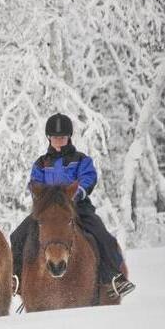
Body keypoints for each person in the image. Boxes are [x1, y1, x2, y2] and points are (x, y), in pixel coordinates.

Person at [10, 113, 136, 297]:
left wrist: (76, 194)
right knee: (17, 235)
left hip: (77, 207)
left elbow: (89, 177)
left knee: (101, 234)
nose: (59, 141)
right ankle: (16, 278)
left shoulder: (81, 160)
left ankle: (114, 278)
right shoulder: (41, 163)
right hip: (48, 212)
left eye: (62, 137)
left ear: (69, 137)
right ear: (49, 138)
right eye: (55, 137)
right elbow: (35, 182)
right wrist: (43, 197)